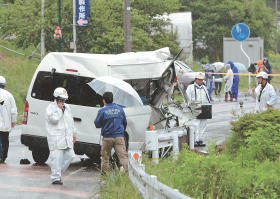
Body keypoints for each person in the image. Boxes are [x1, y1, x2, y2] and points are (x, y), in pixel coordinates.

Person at [46, 87, 76, 185]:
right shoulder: (51, 108)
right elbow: (53, 120)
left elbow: (70, 121)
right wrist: (59, 110)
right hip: (56, 138)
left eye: (64, 100)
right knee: (57, 158)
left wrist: (74, 134)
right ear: (56, 98)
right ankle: (55, 178)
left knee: (71, 156)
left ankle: (56, 170)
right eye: (61, 100)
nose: (63, 102)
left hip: (66, 138)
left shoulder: (67, 107)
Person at [94, 92, 128, 173]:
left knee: (105, 158)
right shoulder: (120, 109)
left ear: (104, 100)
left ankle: (105, 177)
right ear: (113, 99)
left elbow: (97, 124)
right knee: (123, 157)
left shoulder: (102, 110)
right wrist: (121, 132)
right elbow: (125, 122)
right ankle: (126, 174)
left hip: (107, 138)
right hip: (119, 137)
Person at [186, 72, 211, 147]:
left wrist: (208, 107)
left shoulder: (204, 87)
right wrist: (189, 107)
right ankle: (195, 140)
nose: (200, 81)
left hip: (204, 107)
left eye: (201, 80)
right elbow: (187, 98)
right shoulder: (190, 87)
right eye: (199, 80)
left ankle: (201, 140)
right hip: (195, 107)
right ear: (196, 79)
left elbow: (207, 98)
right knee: (196, 124)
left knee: (203, 125)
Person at [0, 76, 17, 163]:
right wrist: (13, 121)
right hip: (6, 124)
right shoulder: (9, 95)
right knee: (5, 140)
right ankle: (3, 157)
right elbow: (13, 110)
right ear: (4, 85)